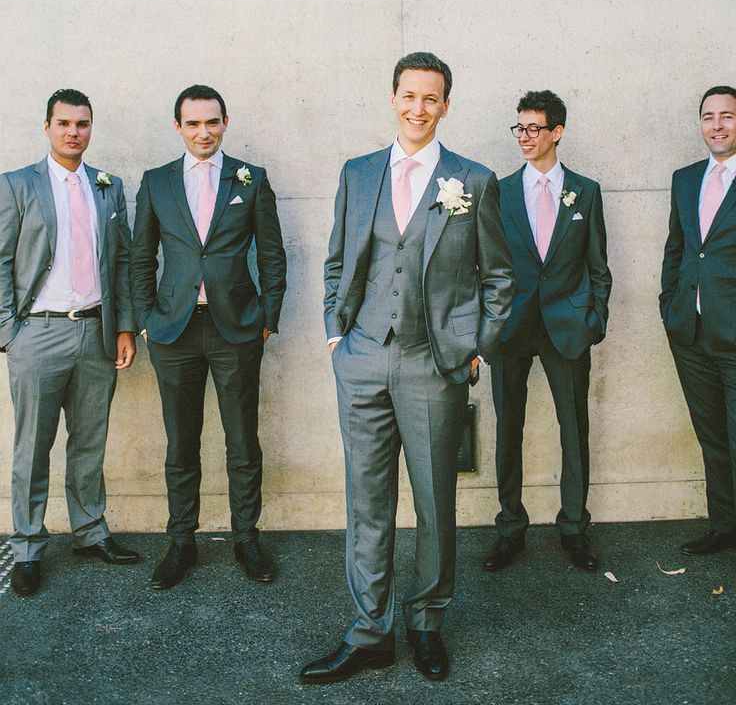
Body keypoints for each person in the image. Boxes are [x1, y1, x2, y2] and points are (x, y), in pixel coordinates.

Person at [300, 52, 514, 685]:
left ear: (446, 105)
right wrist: (338, 336)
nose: (419, 108)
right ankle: (370, 630)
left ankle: (426, 621)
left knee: (432, 502)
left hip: (433, 363)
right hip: (362, 358)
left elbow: (499, 276)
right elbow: (339, 259)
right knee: (366, 503)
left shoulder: (472, 179)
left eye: (432, 98)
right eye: (409, 95)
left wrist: (476, 347)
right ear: (392, 98)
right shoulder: (358, 171)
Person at [132, 85, 286, 590]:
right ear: (178, 126)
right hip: (174, 329)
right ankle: (181, 542)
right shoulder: (156, 183)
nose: (204, 132)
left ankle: (246, 537)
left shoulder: (251, 179)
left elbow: (271, 255)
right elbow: (140, 258)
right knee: (181, 441)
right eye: (193, 123)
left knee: (243, 439)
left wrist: (267, 315)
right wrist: (147, 319)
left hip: (236, 328)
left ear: (225, 122)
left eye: (212, 122)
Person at [0, 89, 139, 597]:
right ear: (47, 127)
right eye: (63, 123)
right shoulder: (17, 186)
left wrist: (123, 326)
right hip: (37, 333)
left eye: (82, 124)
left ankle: (89, 531)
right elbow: (1, 260)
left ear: (90, 128)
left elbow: (121, 261)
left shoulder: (109, 187)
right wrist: (9, 333)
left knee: (89, 440)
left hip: (96, 332)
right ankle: (29, 545)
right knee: (32, 447)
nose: (73, 132)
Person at [484, 90, 611, 574]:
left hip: (567, 328)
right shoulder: (498, 189)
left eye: (534, 128)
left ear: (557, 132)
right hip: (511, 328)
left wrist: (593, 321)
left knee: (573, 430)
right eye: (519, 128)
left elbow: (598, 265)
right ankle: (510, 529)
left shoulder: (586, 190)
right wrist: (488, 324)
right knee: (507, 429)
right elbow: (487, 264)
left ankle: (575, 529)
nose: (525, 137)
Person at [660, 85, 736, 555]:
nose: (717, 125)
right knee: (712, 438)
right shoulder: (685, 179)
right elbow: (678, 248)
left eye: (727, 115)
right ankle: (724, 527)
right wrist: (670, 305)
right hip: (691, 334)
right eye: (708, 116)